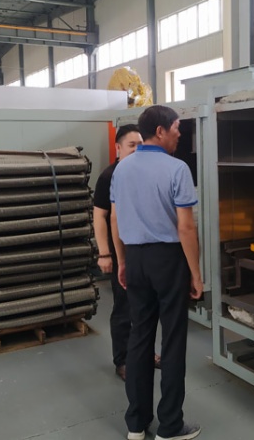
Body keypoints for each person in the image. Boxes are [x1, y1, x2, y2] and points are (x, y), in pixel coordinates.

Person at [110, 105, 203, 440]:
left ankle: (136, 424)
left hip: (135, 258)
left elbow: (115, 218)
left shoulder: (122, 168)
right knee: (173, 340)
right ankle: (170, 425)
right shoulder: (177, 169)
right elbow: (186, 228)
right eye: (177, 128)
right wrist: (196, 274)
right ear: (161, 131)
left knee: (139, 337)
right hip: (168, 260)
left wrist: (122, 261)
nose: (180, 134)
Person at [93, 124, 155, 382]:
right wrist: (104, 254)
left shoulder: (144, 173)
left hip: (144, 251)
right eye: (131, 145)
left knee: (146, 306)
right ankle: (123, 360)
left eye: (140, 145)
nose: (137, 150)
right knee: (124, 308)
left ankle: (145, 353)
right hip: (121, 253)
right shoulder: (109, 176)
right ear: (118, 148)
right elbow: (100, 217)